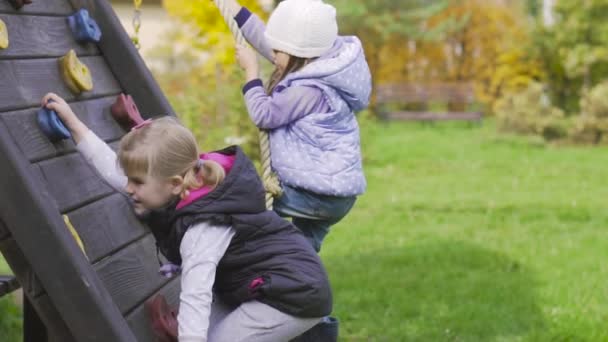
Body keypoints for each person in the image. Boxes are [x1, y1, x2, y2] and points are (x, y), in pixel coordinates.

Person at [41, 93, 332, 342]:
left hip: (290, 297)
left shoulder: (204, 227)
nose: (128, 188)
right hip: (262, 282)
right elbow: (116, 172)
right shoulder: (183, 182)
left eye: (137, 182)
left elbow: (197, 293)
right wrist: (74, 124)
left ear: (175, 184)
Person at [232, 0, 372, 252]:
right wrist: (235, 10)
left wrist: (251, 71)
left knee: (244, 202)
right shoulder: (318, 62)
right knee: (300, 255)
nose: (271, 55)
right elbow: (270, 42)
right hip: (333, 193)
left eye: (277, 51)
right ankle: (296, 286)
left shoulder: (308, 90)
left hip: (318, 195)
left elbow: (264, 114)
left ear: (299, 54)